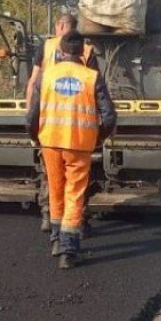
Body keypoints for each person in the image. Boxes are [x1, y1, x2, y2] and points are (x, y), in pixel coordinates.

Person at [28, 30, 117, 269]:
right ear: (83, 53)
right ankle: (68, 248)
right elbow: (109, 116)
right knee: (74, 193)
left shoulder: (45, 77)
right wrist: (98, 138)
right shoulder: (92, 77)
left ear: (61, 51)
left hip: (50, 142)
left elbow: (32, 114)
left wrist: (35, 137)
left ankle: (56, 239)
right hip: (80, 144)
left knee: (56, 189)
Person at [26, 12, 98, 233]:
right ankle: (76, 222)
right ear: (76, 29)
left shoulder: (46, 47)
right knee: (76, 183)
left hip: (51, 129)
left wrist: (31, 119)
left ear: (59, 26)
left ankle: (50, 219)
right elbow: (95, 89)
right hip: (78, 129)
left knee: (52, 178)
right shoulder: (87, 50)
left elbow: (33, 83)